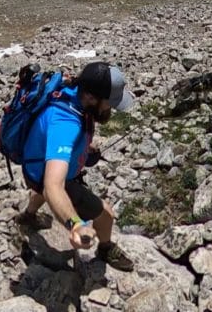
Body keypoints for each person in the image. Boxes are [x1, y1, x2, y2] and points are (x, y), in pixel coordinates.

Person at [14, 61, 136, 272]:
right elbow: (53, 186)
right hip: (43, 175)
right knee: (105, 214)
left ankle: (28, 216)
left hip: (35, 166)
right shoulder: (65, 124)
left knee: (42, 188)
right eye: (109, 103)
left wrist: (85, 150)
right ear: (91, 98)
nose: (111, 108)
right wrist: (76, 225)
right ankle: (106, 248)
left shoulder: (72, 91)